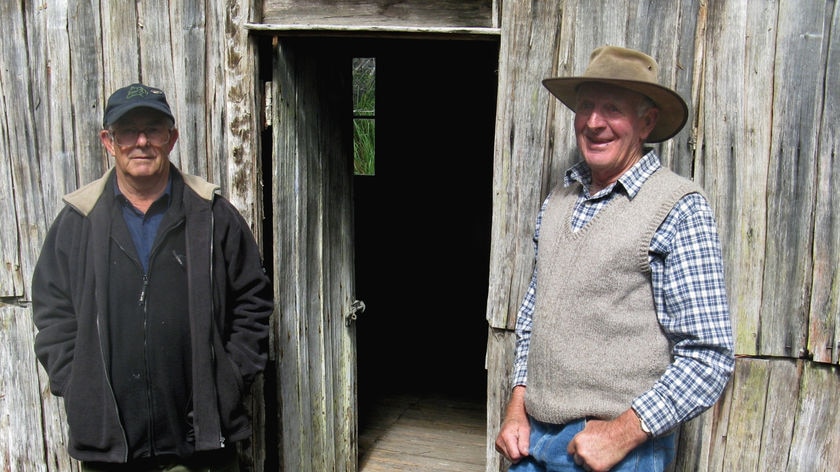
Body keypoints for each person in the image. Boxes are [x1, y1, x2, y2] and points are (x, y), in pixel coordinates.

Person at [494, 46, 735, 472]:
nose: (593, 122)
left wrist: (622, 433)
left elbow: (710, 355)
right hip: (532, 441)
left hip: (614, 451)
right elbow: (535, 313)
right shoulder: (558, 200)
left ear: (646, 122)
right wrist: (517, 405)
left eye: (612, 108)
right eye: (585, 106)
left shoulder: (679, 207)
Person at [31, 83, 274, 471]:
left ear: (171, 138)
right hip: (109, 443)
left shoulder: (211, 215)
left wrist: (229, 379)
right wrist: (77, 382)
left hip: (198, 441)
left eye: (154, 129)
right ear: (109, 141)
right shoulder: (78, 221)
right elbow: (51, 310)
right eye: (128, 131)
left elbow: (253, 301)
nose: (141, 142)